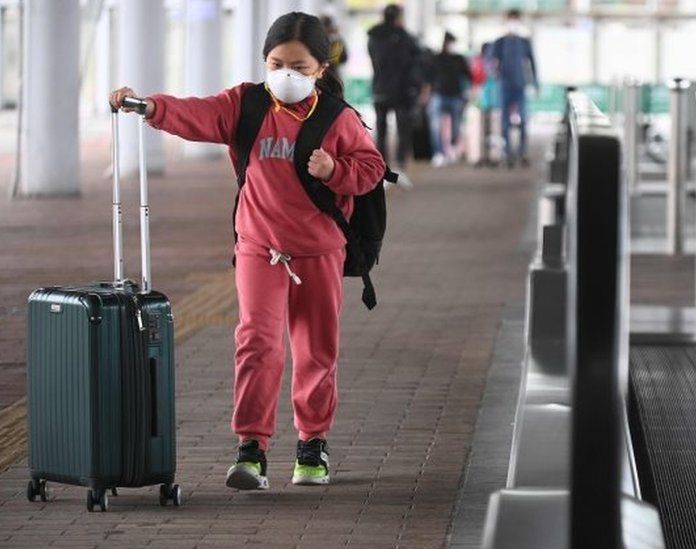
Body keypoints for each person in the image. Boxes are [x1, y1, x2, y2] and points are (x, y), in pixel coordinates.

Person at [110, 12, 386, 491]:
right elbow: (196, 113)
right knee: (257, 343)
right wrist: (147, 105)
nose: (286, 74)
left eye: (299, 67)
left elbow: (371, 167)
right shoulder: (247, 105)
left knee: (315, 350)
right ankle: (252, 448)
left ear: (321, 68)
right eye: (276, 63)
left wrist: (333, 171)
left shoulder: (338, 118)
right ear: (264, 61)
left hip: (320, 250)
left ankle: (312, 445)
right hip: (260, 246)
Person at [367, 4, 422, 170]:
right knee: (402, 126)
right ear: (398, 17)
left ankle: (381, 162)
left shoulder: (373, 36)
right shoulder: (404, 36)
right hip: (401, 90)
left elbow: (374, 58)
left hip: (380, 88)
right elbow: (415, 58)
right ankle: (400, 162)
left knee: (381, 128)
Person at [489, 9, 538, 168]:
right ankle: (507, 152)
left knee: (523, 119)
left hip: (520, 85)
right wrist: (495, 74)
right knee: (505, 122)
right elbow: (490, 61)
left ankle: (522, 152)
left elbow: (533, 63)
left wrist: (535, 83)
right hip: (504, 85)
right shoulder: (500, 42)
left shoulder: (524, 42)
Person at [426, 32, 471, 167]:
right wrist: (427, 94)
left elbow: (468, 76)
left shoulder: (459, 59)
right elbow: (428, 77)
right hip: (438, 95)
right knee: (436, 126)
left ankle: (451, 149)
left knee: (456, 126)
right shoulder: (436, 58)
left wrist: (469, 91)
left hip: (456, 96)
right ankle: (438, 153)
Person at [320, 15, 348, 80]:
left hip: (331, 74)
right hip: (330, 74)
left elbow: (343, 58)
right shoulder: (337, 40)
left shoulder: (336, 41)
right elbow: (343, 58)